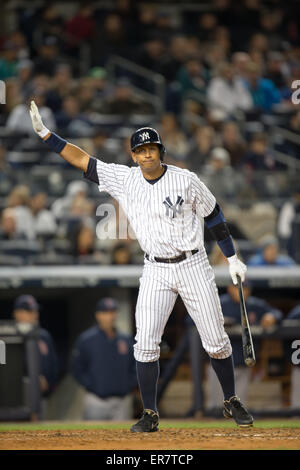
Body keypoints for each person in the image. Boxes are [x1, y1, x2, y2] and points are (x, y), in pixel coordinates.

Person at [29, 100, 254, 431]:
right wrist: (47, 135)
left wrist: (232, 256)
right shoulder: (124, 178)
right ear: (133, 155)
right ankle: (150, 413)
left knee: (216, 341)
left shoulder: (186, 179)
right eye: (141, 150)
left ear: (160, 151)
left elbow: (214, 214)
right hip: (155, 269)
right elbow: (82, 160)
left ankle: (231, 399)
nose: (147, 154)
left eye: (152, 148)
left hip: (193, 265)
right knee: (145, 342)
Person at [207, 282, 282, 409]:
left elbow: (277, 313)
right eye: (239, 289)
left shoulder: (254, 305)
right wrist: (217, 321)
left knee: (239, 405)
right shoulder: (219, 303)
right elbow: (191, 320)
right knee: (217, 406)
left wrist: (271, 316)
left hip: (243, 363)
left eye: (246, 289)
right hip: (219, 363)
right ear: (230, 289)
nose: (243, 292)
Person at [71, 298, 136, 420]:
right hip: (96, 400)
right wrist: (92, 386)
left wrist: (128, 385)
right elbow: (77, 368)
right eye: (106, 313)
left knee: (123, 438)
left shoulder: (125, 339)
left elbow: (135, 367)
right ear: (98, 315)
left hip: (121, 400)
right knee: (92, 438)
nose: (110, 316)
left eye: (113, 312)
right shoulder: (86, 339)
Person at [13, 295, 58, 400]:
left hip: (41, 395)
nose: (34, 315)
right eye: (29, 311)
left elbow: (53, 364)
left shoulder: (43, 335)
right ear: (17, 313)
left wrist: (48, 382)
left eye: (35, 311)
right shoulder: (8, 337)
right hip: (15, 396)